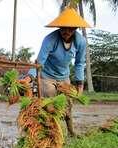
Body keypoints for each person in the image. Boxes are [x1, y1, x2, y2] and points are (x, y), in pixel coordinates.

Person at [27, 6, 91, 136]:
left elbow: (79, 63)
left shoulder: (81, 41)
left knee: (68, 102)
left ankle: (71, 131)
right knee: (50, 98)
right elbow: (39, 62)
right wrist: (30, 77)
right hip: (47, 76)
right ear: (59, 27)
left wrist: (80, 84)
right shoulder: (50, 39)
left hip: (64, 76)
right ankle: (52, 130)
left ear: (75, 28)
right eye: (63, 27)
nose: (66, 31)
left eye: (69, 28)